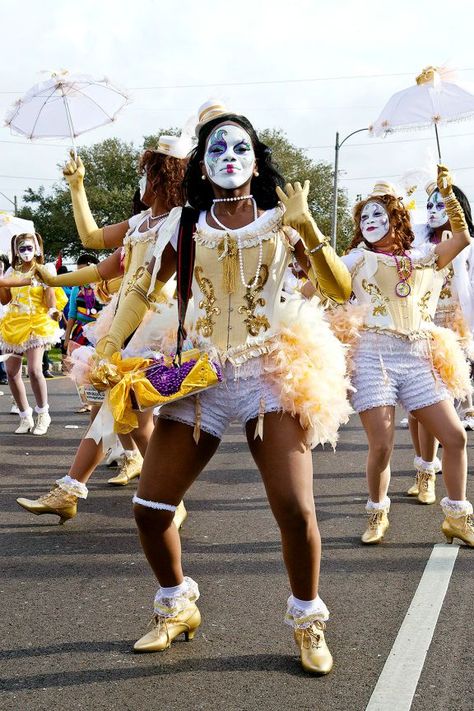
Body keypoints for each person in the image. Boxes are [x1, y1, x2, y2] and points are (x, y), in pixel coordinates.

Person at [91, 100, 352, 674]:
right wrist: (108, 353)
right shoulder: (180, 224)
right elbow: (137, 291)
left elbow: (337, 289)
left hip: (268, 369)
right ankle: (177, 604)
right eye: (216, 149)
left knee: (293, 507)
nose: (229, 157)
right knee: (150, 508)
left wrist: (309, 228)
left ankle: (308, 620)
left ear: (257, 162)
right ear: (201, 166)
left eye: (240, 148)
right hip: (199, 372)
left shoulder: (284, 219)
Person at [16, 130, 189, 523]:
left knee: (125, 411)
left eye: (147, 173)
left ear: (163, 176)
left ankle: (79, 489)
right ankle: (84, 490)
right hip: (122, 325)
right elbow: (94, 248)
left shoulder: (181, 222)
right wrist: (77, 187)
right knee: (119, 411)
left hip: (153, 329)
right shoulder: (142, 222)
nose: (141, 182)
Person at [339, 168, 473, 547]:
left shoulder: (423, 256)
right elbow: (313, 284)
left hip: (417, 354)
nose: (370, 222)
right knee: (381, 445)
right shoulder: (355, 260)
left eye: (379, 214)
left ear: (396, 218)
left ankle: (458, 516)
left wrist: (448, 196)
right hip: (373, 356)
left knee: (455, 436)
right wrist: (308, 245)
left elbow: (462, 237)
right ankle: (377, 512)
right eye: (364, 217)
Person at [405, 180, 474, 503]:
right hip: (420, 329)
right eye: (429, 206)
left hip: (453, 334)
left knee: (437, 405)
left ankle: (430, 473)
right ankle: (425, 471)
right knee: (417, 411)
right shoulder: (418, 242)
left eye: (441, 206)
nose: (433, 211)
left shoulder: (467, 246)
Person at [0, 232, 66, 434]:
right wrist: (1, 280)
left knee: (36, 370)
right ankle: (25, 416)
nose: (26, 252)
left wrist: (53, 310)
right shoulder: (12, 271)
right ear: (17, 251)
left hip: (36, 324)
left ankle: (43, 414)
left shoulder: (44, 269)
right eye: (22, 248)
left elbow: (50, 296)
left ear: (36, 248)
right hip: (13, 324)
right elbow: (5, 300)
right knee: (12, 373)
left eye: (29, 248)